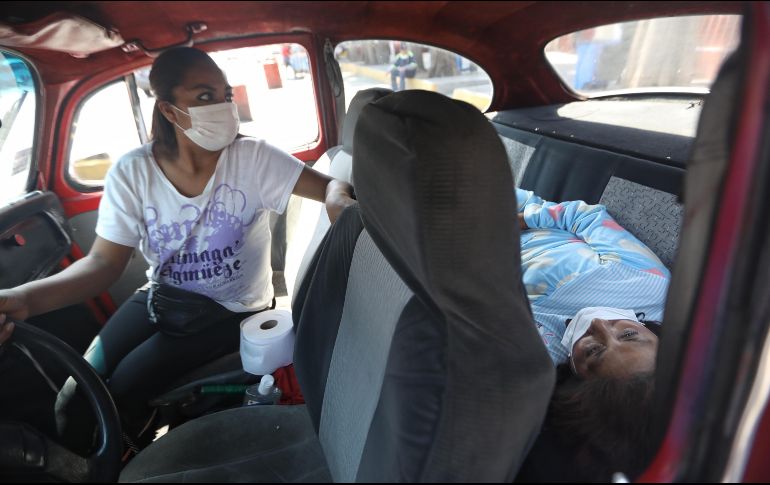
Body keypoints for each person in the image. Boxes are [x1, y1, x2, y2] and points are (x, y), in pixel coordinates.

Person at [0, 47, 355, 446]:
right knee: (76, 391)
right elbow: (102, 263)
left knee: (119, 395)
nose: (223, 106)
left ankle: (126, 459)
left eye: (224, 95)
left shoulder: (253, 159)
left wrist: (338, 200)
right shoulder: (133, 172)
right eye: (204, 96)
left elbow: (331, 185)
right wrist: (23, 300)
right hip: (161, 297)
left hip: (231, 310)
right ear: (169, 111)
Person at [515, 187, 668, 480]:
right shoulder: (648, 284)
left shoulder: (537, 358)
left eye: (595, 350)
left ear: (575, 373)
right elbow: (583, 217)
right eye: (629, 336)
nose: (600, 324)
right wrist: (519, 220)